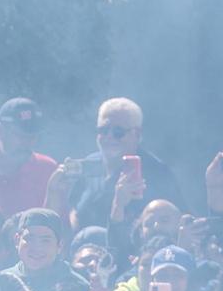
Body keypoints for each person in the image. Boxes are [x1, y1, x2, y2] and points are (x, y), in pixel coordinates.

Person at [62, 98, 183, 253]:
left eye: (118, 132)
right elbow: (74, 211)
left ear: (137, 134)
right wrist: (56, 193)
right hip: (84, 259)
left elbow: (176, 224)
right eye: (103, 130)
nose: (109, 137)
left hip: (130, 262)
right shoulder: (88, 165)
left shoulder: (157, 173)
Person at [2, 208, 88, 291]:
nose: (37, 247)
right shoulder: (2, 282)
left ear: (60, 246)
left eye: (45, 240)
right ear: (17, 240)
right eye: (29, 238)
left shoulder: (78, 286)